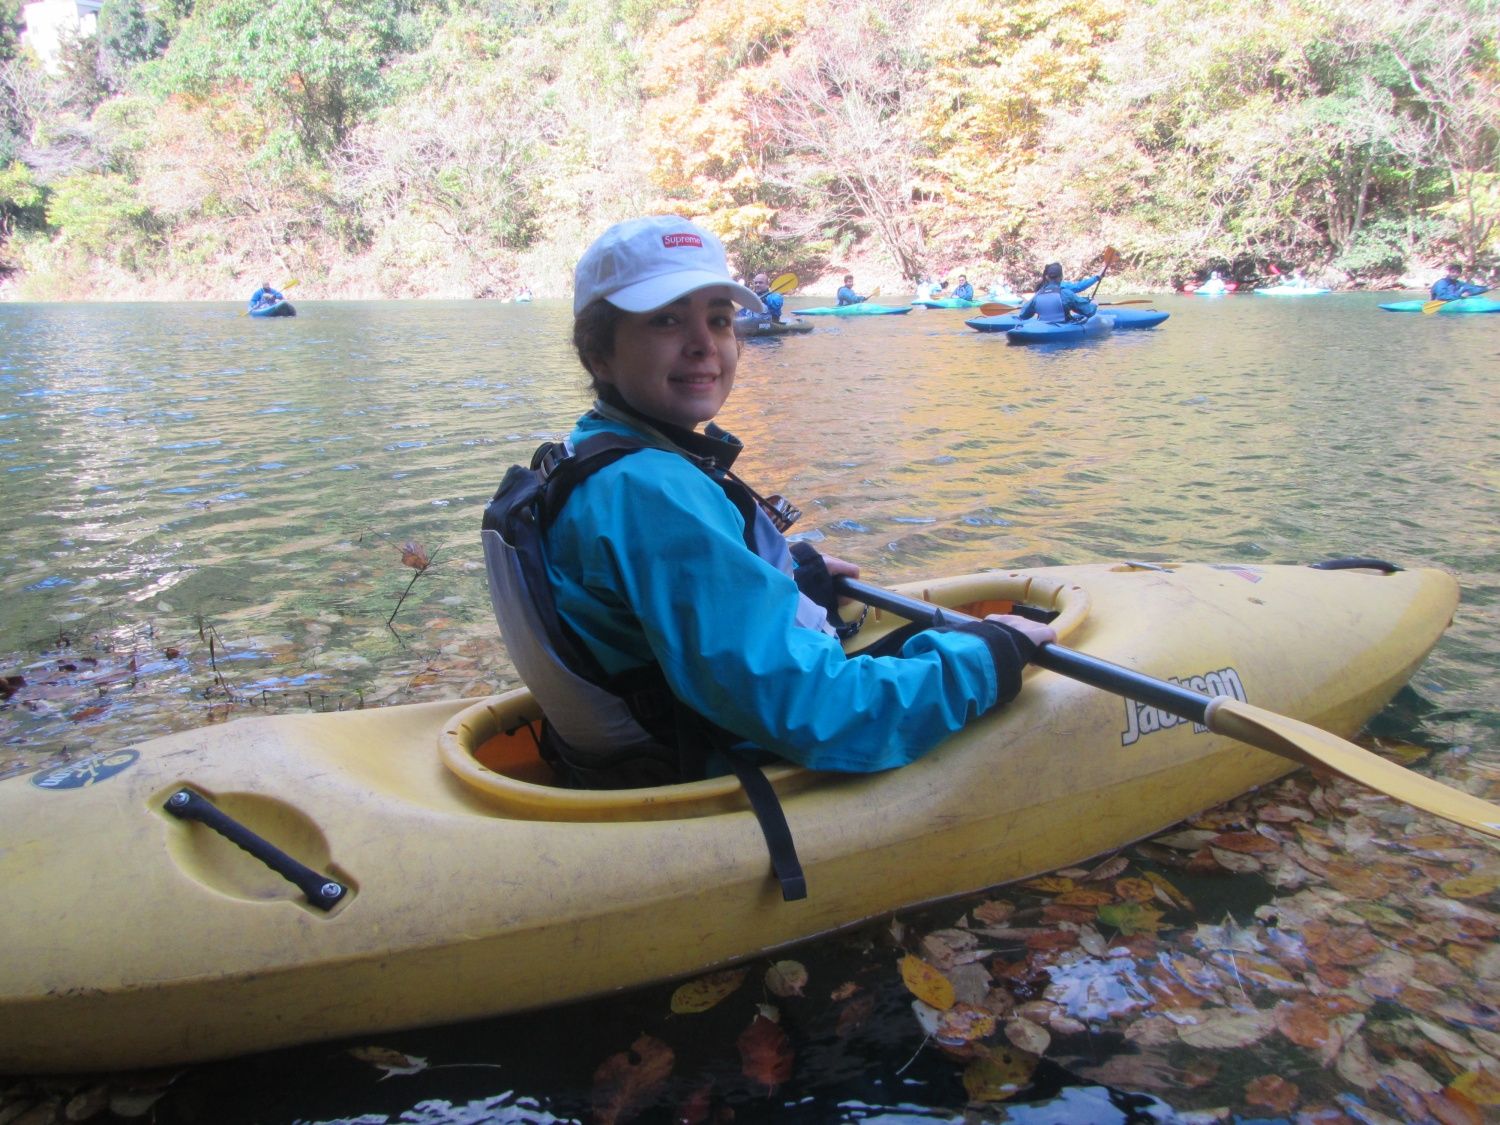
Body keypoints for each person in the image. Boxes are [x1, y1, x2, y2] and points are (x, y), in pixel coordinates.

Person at [483, 214, 1054, 796]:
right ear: (598, 354)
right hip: (708, 767)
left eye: (719, 320)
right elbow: (815, 712)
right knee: (989, 655)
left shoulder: (593, 450)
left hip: (649, 742)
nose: (704, 345)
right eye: (666, 320)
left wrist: (781, 576)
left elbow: (657, 602)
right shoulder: (652, 493)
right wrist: (987, 661)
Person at [1017, 262, 1098, 323]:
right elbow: (1088, 311)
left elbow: (1023, 315)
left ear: (1047, 277)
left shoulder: (1037, 295)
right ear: (1061, 277)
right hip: (1063, 329)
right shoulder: (1066, 294)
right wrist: (1094, 304)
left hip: (1042, 327)